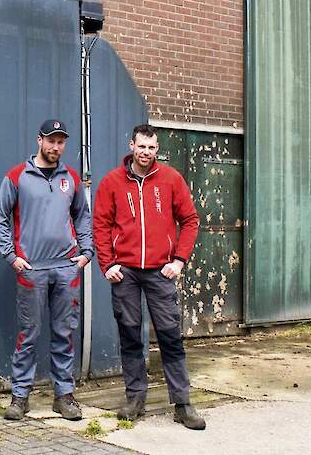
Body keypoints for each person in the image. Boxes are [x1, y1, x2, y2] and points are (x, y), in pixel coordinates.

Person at [92, 123, 206, 430]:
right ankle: (136, 399)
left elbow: (191, 220)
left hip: (160, 272)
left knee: (170, 336)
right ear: (131, 145)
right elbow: (100, 226)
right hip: (125, 273)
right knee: (130, 337)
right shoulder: (112, 182)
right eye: (142, 146)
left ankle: (182, 404)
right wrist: (107, 264)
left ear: (157, 149)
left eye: (152, 148)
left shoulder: (170, 179)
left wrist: (180, 260)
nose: (146, 153)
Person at [0, 119, 94, 421]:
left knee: (64, 333)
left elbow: (83, 217)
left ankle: (64, 396)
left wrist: (86, 253)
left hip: (66, 268)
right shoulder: (17, 176)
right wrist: (11, 256)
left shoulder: (71, 178)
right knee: (29, 333)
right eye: (51, 141)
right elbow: (0, 216)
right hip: (31, 269)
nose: (56, 147)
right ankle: (20, 396)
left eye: (61, 141)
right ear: (39, 141)